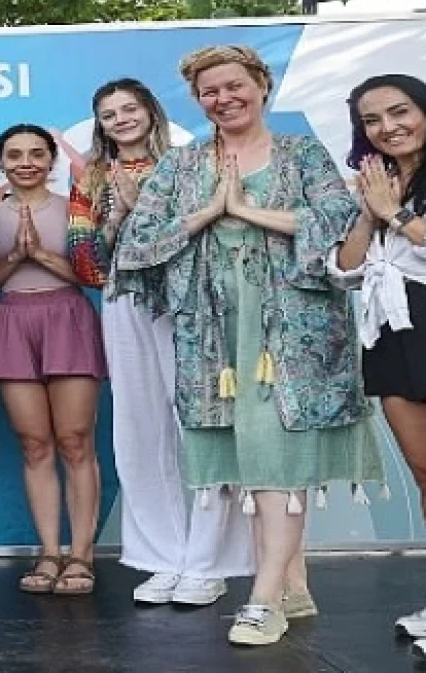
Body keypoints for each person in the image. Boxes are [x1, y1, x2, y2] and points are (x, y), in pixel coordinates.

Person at [116, 45, 385, 647]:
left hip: (295, 330)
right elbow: (137, 244)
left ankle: (264, 600)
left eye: (234, 85)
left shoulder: (301, 153)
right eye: (209, 91)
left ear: (261, 85)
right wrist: (210, 211)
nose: (224, 98)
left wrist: (248, 210)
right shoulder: (183, 163)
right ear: (197, 100)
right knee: (252, 462)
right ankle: (293, 582)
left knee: (275, 454)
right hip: (213, 335)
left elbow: (342, 221)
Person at [67, 79, 255, 606]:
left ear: (151, 111)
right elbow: (86, 264)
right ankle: (161, 558)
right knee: (139, 429)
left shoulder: (193, 163)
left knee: (204, 425)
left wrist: (152, 225)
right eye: (109, 114)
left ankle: (210, 562)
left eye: (130, 108)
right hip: (125, 303)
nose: (121, 119)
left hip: (192, 301)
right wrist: (120, 218)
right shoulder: (92, 176)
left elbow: (218, 232)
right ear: (100, 125)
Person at [0, 124, 106, 595]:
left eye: (35, 153)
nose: (25, 162)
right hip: (13, 322)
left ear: (51, 160)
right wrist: (13, 259)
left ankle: (81, 555)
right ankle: (49, 552)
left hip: (67, 318)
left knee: (75, 441)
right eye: (14, 155)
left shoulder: (74, 209)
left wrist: (43, 257)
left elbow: (95, 276)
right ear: (1, 162)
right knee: (34, 444)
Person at [329, 74, 426, 651]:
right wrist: (371, 212)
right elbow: (345, 269)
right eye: (372, 120)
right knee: (423, 472)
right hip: (393, 332)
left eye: (400, 111)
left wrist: (394, 214)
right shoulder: (379, 181)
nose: (388, 127)